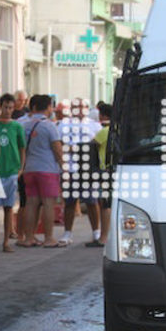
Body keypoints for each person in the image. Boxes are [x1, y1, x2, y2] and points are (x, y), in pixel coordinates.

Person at [19, 94, 66, 247]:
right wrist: (63, 166)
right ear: (48, 108)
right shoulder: (50, 126)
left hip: (29, 168)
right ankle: (48, 238)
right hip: (47, 169)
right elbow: (57, 149)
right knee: (48, 203)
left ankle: (29, 238)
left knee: (31, 203)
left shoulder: (24, 125)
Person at [58, 98, 102, 245]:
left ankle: (96, 232)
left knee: (91, 202)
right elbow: (59, 145)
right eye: (77, 107)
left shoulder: (95, 126)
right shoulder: (63, 125)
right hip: (69, 169)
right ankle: (67, 233)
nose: (80, 110)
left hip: (87, 170)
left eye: (83, 107)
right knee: (70, 202)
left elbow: (97, 147)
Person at [0, 94, 26, 252]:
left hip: (11, 170)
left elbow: (22, 148)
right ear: (0, 106)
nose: (7, 110)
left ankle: (6, 241)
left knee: (8, 208)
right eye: (5, 107)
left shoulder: (17, 126)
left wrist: (21, 168)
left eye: (10, 108)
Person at [87, 102, 113, 248]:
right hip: (114, 170)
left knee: (105, 205)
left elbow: (91, 144)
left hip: (104, 170)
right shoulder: (117, 129)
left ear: (103, 115)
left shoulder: (104, 131)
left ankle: (103, 237)